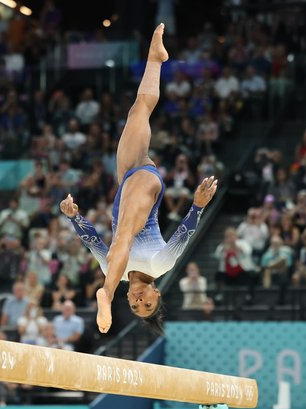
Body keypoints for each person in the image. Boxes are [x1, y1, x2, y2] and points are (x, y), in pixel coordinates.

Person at [59, 24, 218, 334]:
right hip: (147, 189)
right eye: (148, 303)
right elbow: (183, 235)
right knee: (124, 238)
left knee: (138, 111)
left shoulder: (112, 269)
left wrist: (74, 216)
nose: (139, 299)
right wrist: (197, 206)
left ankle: (155, 58)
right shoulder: (160, 265)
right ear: (157, 293)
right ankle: (103, 296)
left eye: (135, 305)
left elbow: (90, 239)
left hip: (127, 185)